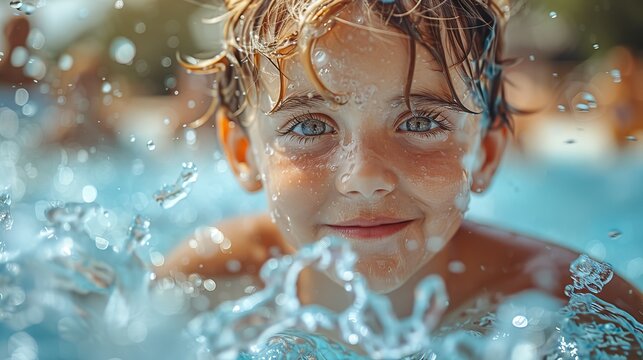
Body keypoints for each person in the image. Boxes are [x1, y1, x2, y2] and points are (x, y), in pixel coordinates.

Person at [159, 0, 642, 326]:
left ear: (486, 153)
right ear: (244, 153)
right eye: (309, 127)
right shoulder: (213, 277)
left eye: (418, 123)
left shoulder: (573, 301)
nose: (364, 176)